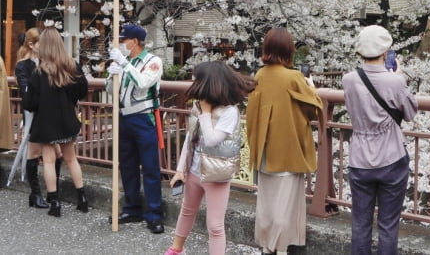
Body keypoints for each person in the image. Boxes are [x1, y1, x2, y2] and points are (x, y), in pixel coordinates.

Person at [245, 27, 324, 255]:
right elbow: (312, 109)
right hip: (288, 149)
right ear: (289, 50)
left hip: (264, 148)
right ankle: (279, 247)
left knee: (267, 202)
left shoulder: (260, 75)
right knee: (285, 203)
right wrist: (312, 88)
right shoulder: (294, 77)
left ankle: (266, 245)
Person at [164, 61, 256, 255]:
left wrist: (205, 113)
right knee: (186, 210)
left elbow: (212, 139)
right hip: (194, 170)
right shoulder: (198, 108)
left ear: (208, 83)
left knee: (215, 226)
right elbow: (190, 139)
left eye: (196, 79)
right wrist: (180, 170)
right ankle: (176, 249)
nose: (193, 82)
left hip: (216, 175)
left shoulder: (230, 112)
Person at [342, 25, 418, 255]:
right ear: (386, 52)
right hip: (391, 157)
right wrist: (399, 79)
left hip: (360, 158)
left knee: (360, 223)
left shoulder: (348, 79)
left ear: (360, 52)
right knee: (388, 225)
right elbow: (410, 113)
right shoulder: (394, 81)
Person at [22, 28, 89, 217]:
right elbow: (82, 89)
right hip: (67, 120)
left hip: (46, 123)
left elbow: (29, 103)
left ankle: (55, 204)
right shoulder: (72, 66)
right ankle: (82, 199)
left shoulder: (39, 72)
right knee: (71, 159)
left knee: (49, 161)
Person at [106, 23, 165, 234]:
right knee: (127, 166)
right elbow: (112, 91)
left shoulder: (153, 61)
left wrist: (123, 64)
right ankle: (132, 208)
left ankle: (154, 214)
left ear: (135, 42)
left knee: (150, 168)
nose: (121, 44)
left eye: (124, 40)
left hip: (144, 118)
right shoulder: (124, 61)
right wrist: (112, 74)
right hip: (124, 118)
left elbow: (142, 83)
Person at [12, 28, 62, 208]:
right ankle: (35, 193)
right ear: (31, 45)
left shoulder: (47, 62)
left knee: (57, 153)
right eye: (41, 43)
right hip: (34, 114)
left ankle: (53, 192)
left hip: (49, 114)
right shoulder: (22, 65)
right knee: (33, 152)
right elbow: (26, 90)